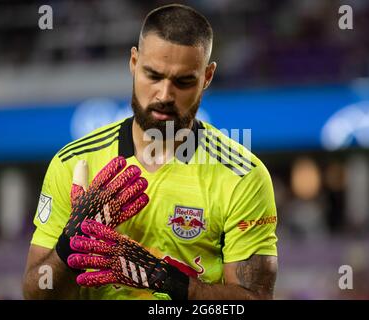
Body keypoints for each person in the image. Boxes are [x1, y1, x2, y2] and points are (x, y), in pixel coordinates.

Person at [23, 3, 278, 300]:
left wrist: (176, 285)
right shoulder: (72, 163)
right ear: (133, 62)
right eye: (153, 75)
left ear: (207, 77)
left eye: (183, 81)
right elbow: (37, 295)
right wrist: (70, 244)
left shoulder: (243, 176)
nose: (165, 95)